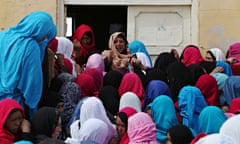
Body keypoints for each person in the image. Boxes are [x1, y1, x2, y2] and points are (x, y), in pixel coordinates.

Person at [0, 11, 57, 119]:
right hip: (13, 107)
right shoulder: (30, 46)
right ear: (39, 31)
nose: (43, 39)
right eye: (45, 35)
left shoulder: (3, 36)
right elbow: (32, 85)